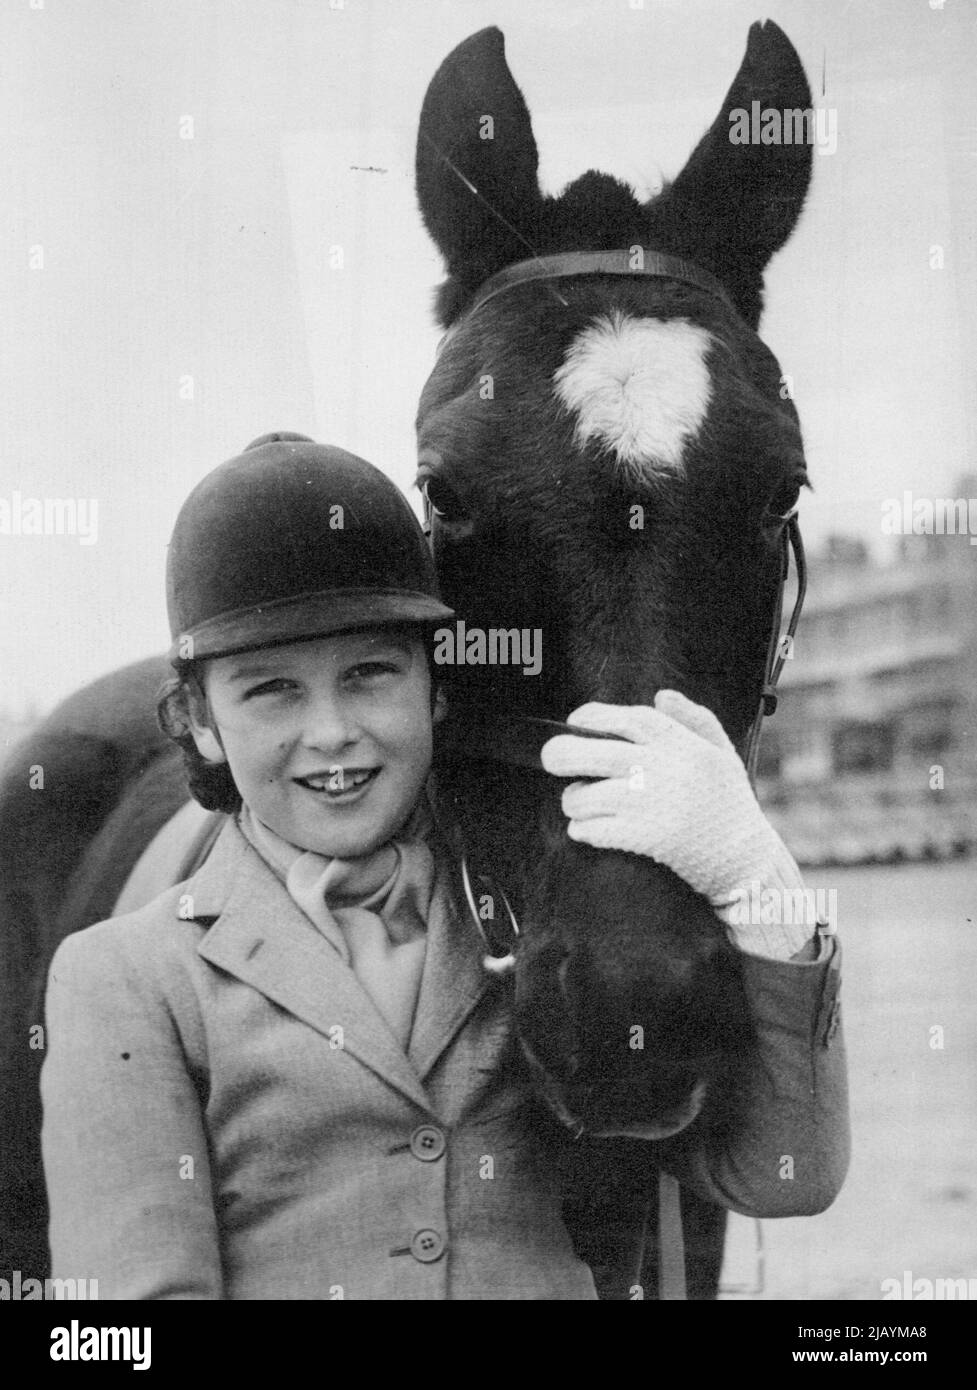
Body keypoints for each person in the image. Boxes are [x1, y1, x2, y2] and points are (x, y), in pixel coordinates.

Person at [40, 434, 849, 1300]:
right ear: (199, 720)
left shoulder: (542, 918)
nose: (331, 733)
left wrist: (756, 884)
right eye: (270, 690)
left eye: (369, 675)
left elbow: (783, 1176)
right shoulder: (123, 979)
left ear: (434, 689)